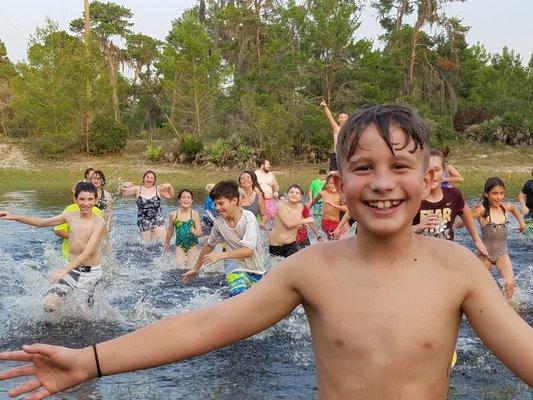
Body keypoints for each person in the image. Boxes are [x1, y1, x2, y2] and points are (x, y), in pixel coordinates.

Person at [1, 104, 532, 400]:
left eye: (400, 167)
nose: (382, 183)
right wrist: (90, 362)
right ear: (339, 183)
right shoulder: (314, 268)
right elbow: (203, 327)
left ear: (428, 178)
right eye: (363, 168)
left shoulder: (458, 270)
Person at [0, 182, 105, 312]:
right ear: (75, 199)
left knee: (86, 316)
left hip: (91, 274)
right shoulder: (70, 216)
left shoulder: (98, 222)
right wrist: (13, 216)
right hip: (72, 270)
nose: (86, 203)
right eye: (82, 199)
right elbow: (42, 223)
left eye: (90, 199)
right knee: (49, 305)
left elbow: (86, 253)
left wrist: (62, 271)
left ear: (96, 199)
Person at [182, 180, 265, 297]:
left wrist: (219, 255)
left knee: (254, 302)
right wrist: (196, 268)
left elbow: (248, 251)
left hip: (256, 270)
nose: (217, 208)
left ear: (234, 201)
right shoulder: (219, 224)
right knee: (238, 297)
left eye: (221, 203)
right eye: (215, 204)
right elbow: (209, 245)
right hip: (234, 268)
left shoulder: (248, 218)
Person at [412, 149, 488, 258]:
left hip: (446, 255)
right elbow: (397, 234)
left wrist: (477, 240)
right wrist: (417, 227)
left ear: (444, 172)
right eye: (427, 170)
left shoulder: (454, 195)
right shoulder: (413, 199)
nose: (432, 175)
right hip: (420, 257)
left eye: (437, 170)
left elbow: (465, 211)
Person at [468, 177, 526, 300]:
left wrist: (522, 224)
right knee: (475, 287)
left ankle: (506, 310)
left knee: (510, 285)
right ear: (486, 194)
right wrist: (470, 212)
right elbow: (459, 224)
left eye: (501, 193)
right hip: (484, 255)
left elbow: (514, 209)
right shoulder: (482, 211)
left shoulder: (506, 207)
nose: (499, 197)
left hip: (502, 254)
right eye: (495, 193)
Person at [119, 171, 174, 241]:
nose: (149, 179)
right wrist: (123, 186)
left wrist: (170, 187)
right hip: (143, 221)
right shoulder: (137, 189)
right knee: (147, 246)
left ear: (154, 181)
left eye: (152, 178)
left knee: (163, 241)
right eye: (147, 177)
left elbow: (170, 196)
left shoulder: (158, 189)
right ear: (144, 178)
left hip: (157, 219)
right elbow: (122, 193)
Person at [269, 185, 316, 257]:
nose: (294, 194)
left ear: (301, 197)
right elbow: (289, 224)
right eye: (291, 192)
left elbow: (298, 218)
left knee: (296, 265)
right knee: (278, 267)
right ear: (287, 195)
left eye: (297, 193)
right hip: (276, 245)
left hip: (292, 244)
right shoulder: (281, 206)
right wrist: (305, 220)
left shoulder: (301, 207)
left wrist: (304, 224)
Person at [163, 189, 202, 270]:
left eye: (189, 198)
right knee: (179, 266)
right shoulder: (173, 214)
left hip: (193, 245)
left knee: (191, 267)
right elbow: (170, 230)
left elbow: (200, 233)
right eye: (183, 197)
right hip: (179, 245)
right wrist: (166, 244)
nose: (186, 200)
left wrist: (194, 231)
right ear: (179, 200)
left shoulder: (194, 214)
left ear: (191, 201)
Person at [308, 173, 347, 240]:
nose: (333, 185)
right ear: (327, 185)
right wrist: (309, 207)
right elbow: (316, 199)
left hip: (337, 222)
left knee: (337, 240)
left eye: (335, 183)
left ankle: (327, 247)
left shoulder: (340, 195)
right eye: (331, 183)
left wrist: (334, 205)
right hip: (326, 222)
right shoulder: (323, 193)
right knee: (334, 240)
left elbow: (346, 209)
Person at [320, 100, 348, 171]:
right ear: (338, 119)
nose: (343, 119)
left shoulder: (351, 129)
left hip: (347, 156)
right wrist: (325, 107)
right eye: (341, 117)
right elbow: (330, 117)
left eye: (345, 117)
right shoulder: (336, 128)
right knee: (332, 177)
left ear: (348, 118)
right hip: (336, 156)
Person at [90, 170, 113, 236]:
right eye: (94, 178)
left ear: (102, 181)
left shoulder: (107, 195)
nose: (96, 181)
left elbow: (109, 212)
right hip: (89, 223)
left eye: (99, 179)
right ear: (91, 180)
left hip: (102, 223)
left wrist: (108, 226)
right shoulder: (87, 193)